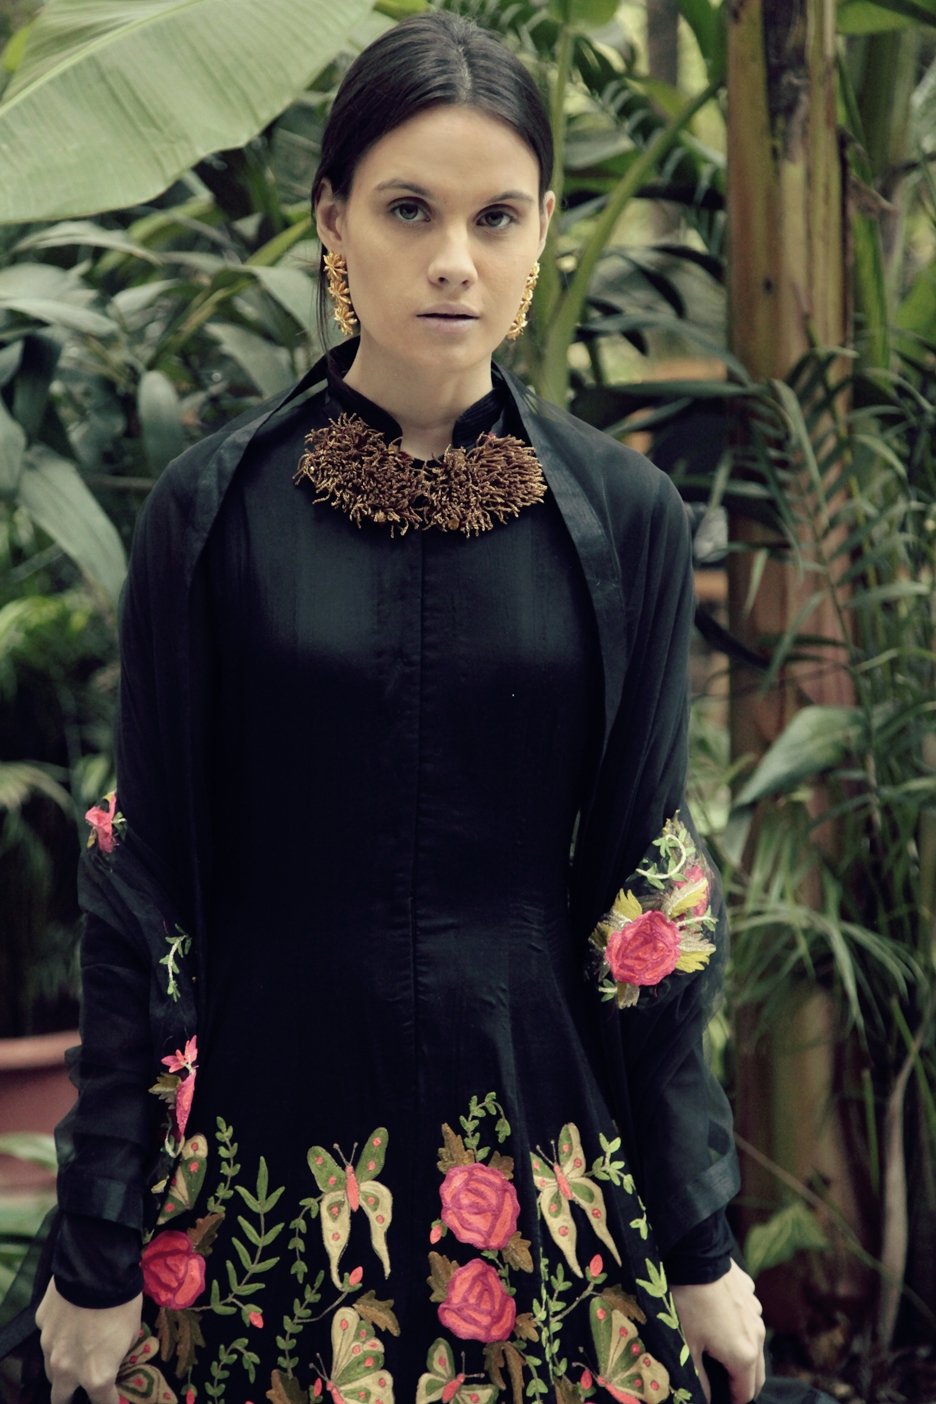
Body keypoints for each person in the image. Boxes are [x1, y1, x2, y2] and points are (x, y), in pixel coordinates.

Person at [22, 13, 768, 1404]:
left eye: (497, 217)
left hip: (536, 1147)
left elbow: (647, 896)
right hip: (256, 1152)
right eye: (408, 209)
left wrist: (698, 1238)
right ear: (333, 220)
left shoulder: (626, 518)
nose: (453, 260)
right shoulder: (214, 511)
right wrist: (100, 1231)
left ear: (543, 233)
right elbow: (142, 885)